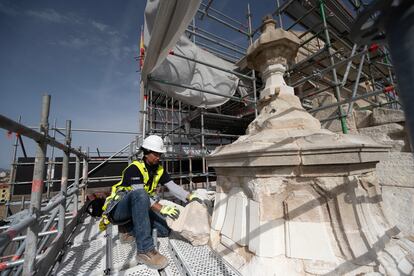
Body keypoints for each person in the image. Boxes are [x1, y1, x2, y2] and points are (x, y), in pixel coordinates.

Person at [99, 135, 201, 270]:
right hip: (118, 211)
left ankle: (127, 229)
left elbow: (172, 187)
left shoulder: (158, 169)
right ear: (146, 153)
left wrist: (189, 197)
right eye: (156, 154)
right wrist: (161, 208)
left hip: (138, 208)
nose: (158, 157)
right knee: (141, 194)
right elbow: (141, 195)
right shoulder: (134, 169)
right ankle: (144, 250)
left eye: (160, 154)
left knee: (164, 231)